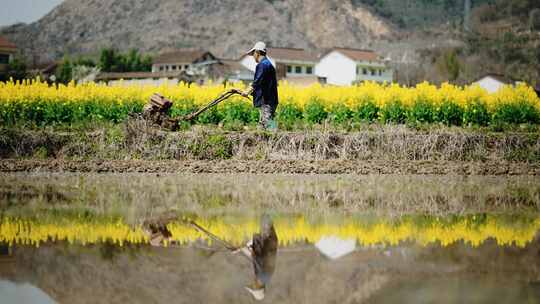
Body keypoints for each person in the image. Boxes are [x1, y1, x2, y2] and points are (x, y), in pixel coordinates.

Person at [241, 42, 279, 130]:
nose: (253, 56)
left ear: (257, 53)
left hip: (266, 101)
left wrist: (247, 92)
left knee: (268, 126)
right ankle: (270, 140)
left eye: (253, 54)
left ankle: (273, 141)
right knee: (266, 125)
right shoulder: (269, 65)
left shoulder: (262, 65)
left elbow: (257, 81)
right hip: (271, 100)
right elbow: (262, 83)